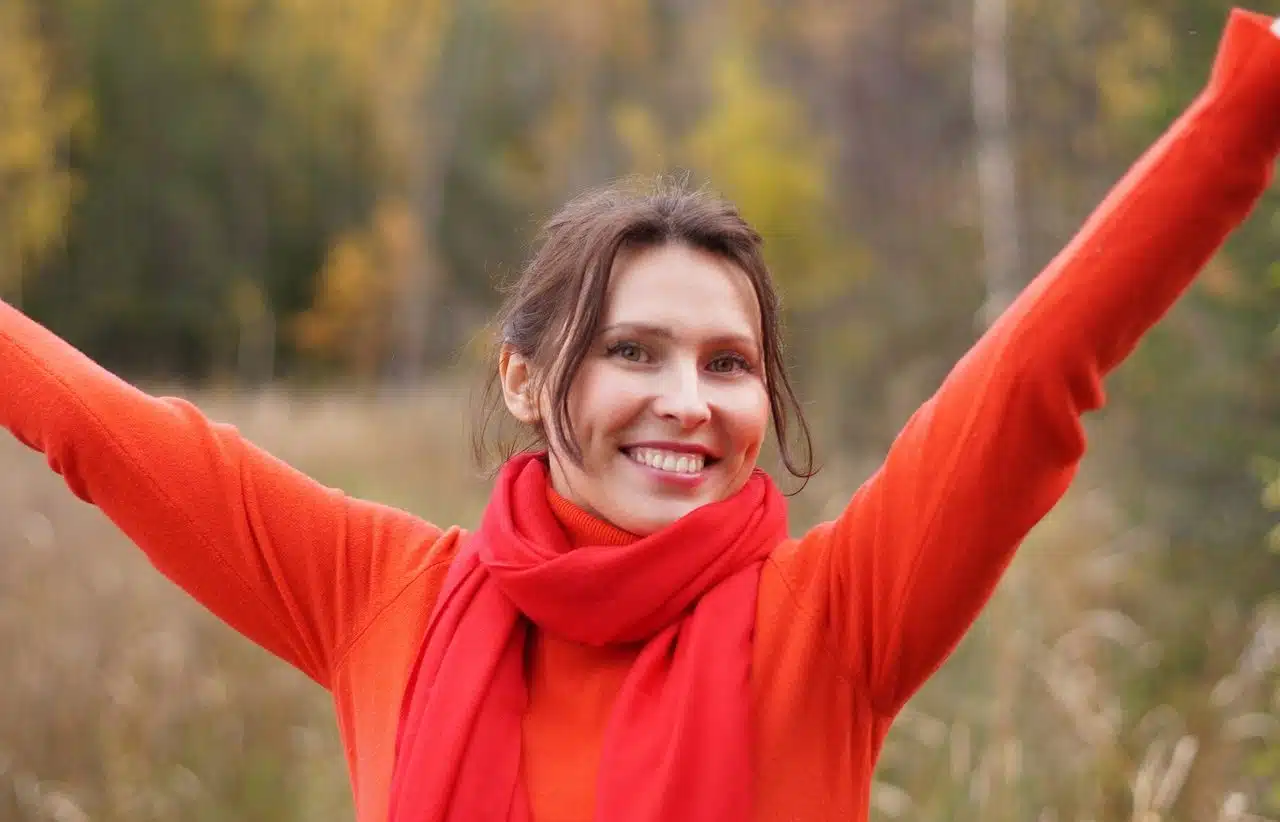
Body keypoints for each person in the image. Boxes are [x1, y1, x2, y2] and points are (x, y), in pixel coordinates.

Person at [2, 9, 1278, 822]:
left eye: (730, 364)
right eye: (630, 350)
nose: (687, 400)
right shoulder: (382, 596)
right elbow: (108, 438)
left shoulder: (832, 623)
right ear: (522, 380)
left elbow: (1027, 379)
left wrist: (1239, 119)